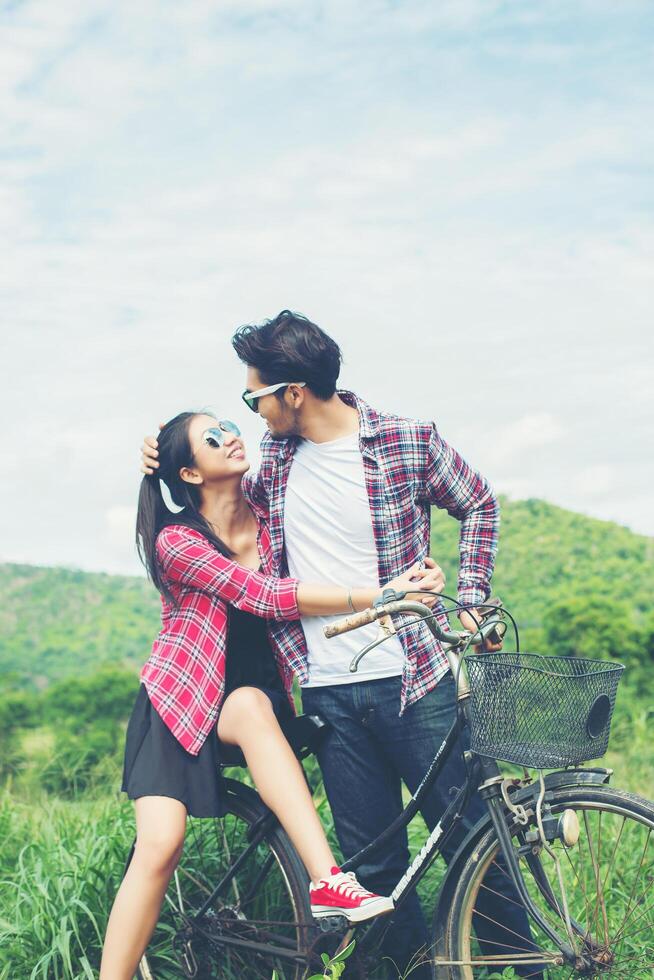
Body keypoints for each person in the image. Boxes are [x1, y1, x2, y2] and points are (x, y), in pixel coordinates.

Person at [141, 311, 540, 980]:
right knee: (376, 869)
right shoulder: (271, 462)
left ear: (293, 392)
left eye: (255, 397)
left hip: (415, 680)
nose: (251, 411)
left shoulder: (408, 442)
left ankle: (528, 970)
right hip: (327, 691)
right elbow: (211, 498)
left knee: (473, 839)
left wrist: (469, 600)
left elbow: (479, 503)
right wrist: (157, 458)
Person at [101, 409, 443, 980]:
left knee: (254, 705)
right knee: (159, 847)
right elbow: (260, 595)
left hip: (251, 702)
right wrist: (380, 595)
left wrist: (415, 576)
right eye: (211, 438)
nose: (231, 436)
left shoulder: (270, 517)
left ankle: (327, 882)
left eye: (229, 425)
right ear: (189, 474)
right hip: (181, 701)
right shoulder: (176, 540)